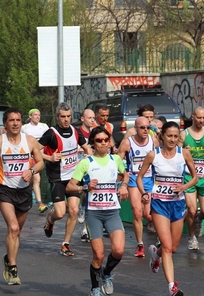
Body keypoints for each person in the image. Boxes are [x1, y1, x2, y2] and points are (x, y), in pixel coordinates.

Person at [0, 107, 44, 285]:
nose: (15, 123)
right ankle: (13, 269)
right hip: (4, 189)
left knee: (17, 232)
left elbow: (40, 163)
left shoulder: (30, 141)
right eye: (11, 120)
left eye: (18, 120)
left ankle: (9, 257)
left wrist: (31, 171)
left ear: (21, 122)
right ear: (6, 123)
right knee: (14, 228)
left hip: (23, 190)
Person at [66, 126, 129, 296]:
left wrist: (123, 186)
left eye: (106, 140)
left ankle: (106, 273)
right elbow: (70, 186)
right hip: (94, 214)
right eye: (99, 140)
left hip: (112, 212)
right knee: (98, 255)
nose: (103, 143)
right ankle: (94, 288)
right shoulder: (86, 162)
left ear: (109, 141)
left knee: (119, 250)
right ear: (93, 143)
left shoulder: (115, 159)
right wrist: (85, 187)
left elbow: (126, 174)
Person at [137, 121, 197, 296]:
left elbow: (194, 178)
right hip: (159, 204)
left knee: (174, 248)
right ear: (162, 135)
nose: (172, 139)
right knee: (168, 247)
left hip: (177, 203)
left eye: (175, 136)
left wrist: (184, 188)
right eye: (169, 136)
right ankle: (172, 287)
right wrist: (144, 193)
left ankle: (156, 255)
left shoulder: (184, 154)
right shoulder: (153, 155)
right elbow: (140, 177)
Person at [38, 102, 92, 256]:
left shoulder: (75, 131)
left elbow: (86, 146)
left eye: (68, 116)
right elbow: (34, 149)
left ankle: (65, 244)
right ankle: (51, 219)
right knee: (60, 213)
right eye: (63, 117)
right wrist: (49, 157)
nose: (66, 120)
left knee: (74, 210)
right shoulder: (51, 133)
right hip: (57, 177)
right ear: (57, 117)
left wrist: (87, 153)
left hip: (74, 177)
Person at [117, 116, 159, 257]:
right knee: (137, 212)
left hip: (149, 179)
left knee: (148, 214)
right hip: (134, 178)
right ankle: (140, 244)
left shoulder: (153, 141)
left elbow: (161, 157)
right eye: (142, 127)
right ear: (135, 128)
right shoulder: (127, 143)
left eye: (148, 127)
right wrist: (123, 174)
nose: (146, 130)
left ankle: (161, 238)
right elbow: (118, 160)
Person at [179, 106, 204, 250]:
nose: (202, 120)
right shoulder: (184, 134)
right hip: (189, 177)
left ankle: (199, 220)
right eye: (199, 117)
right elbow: (176, 154)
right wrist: (182, 152)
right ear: (193, 116)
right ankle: (192, 238)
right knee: (191, 210)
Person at [21, 108, 49, 213]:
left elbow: (49, 139)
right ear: (30, 116)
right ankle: (40, 203)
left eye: (39, 115)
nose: (38, 116)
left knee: (33, 180)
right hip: (30, 156)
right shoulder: (24, 128)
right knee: (36, 178)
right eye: (35, 115)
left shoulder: (44, 126)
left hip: (42, 156)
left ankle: (29, 193)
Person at [77, 109, 95, 242]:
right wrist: (80, 149)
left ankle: (85, 229)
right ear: (82, 119)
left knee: (88, 193)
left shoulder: (96, 132)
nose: (92, 120)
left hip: (91, 166)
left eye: (93, 117)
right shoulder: (76, 132)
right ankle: (81, 209)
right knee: (83, 193)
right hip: (77, 166)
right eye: (89, 118)